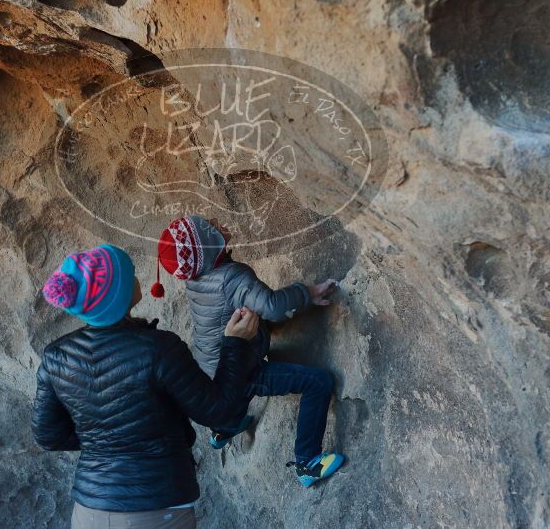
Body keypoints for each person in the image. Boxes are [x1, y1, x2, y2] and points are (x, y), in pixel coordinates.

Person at [32, 244, 260, 528]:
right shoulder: (158, 349)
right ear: (117, 295)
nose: (137, 279)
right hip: (155, 511)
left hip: (89, 511)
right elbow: (219, 412)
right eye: (130, 277)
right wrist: (236, 343)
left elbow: (48, 436)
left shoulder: (56, 357)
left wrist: (105, 441)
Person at [151, 215, 345, 487]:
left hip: (209, 372)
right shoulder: (231, 277)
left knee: (227, 399)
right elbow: (274, 307)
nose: (216, 220)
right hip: (241, 371)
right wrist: (308, 293)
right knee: (318, 382)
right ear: (206, 247)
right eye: (208, 227)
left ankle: (223, 429)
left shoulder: (197, 278)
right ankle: (306, 462)